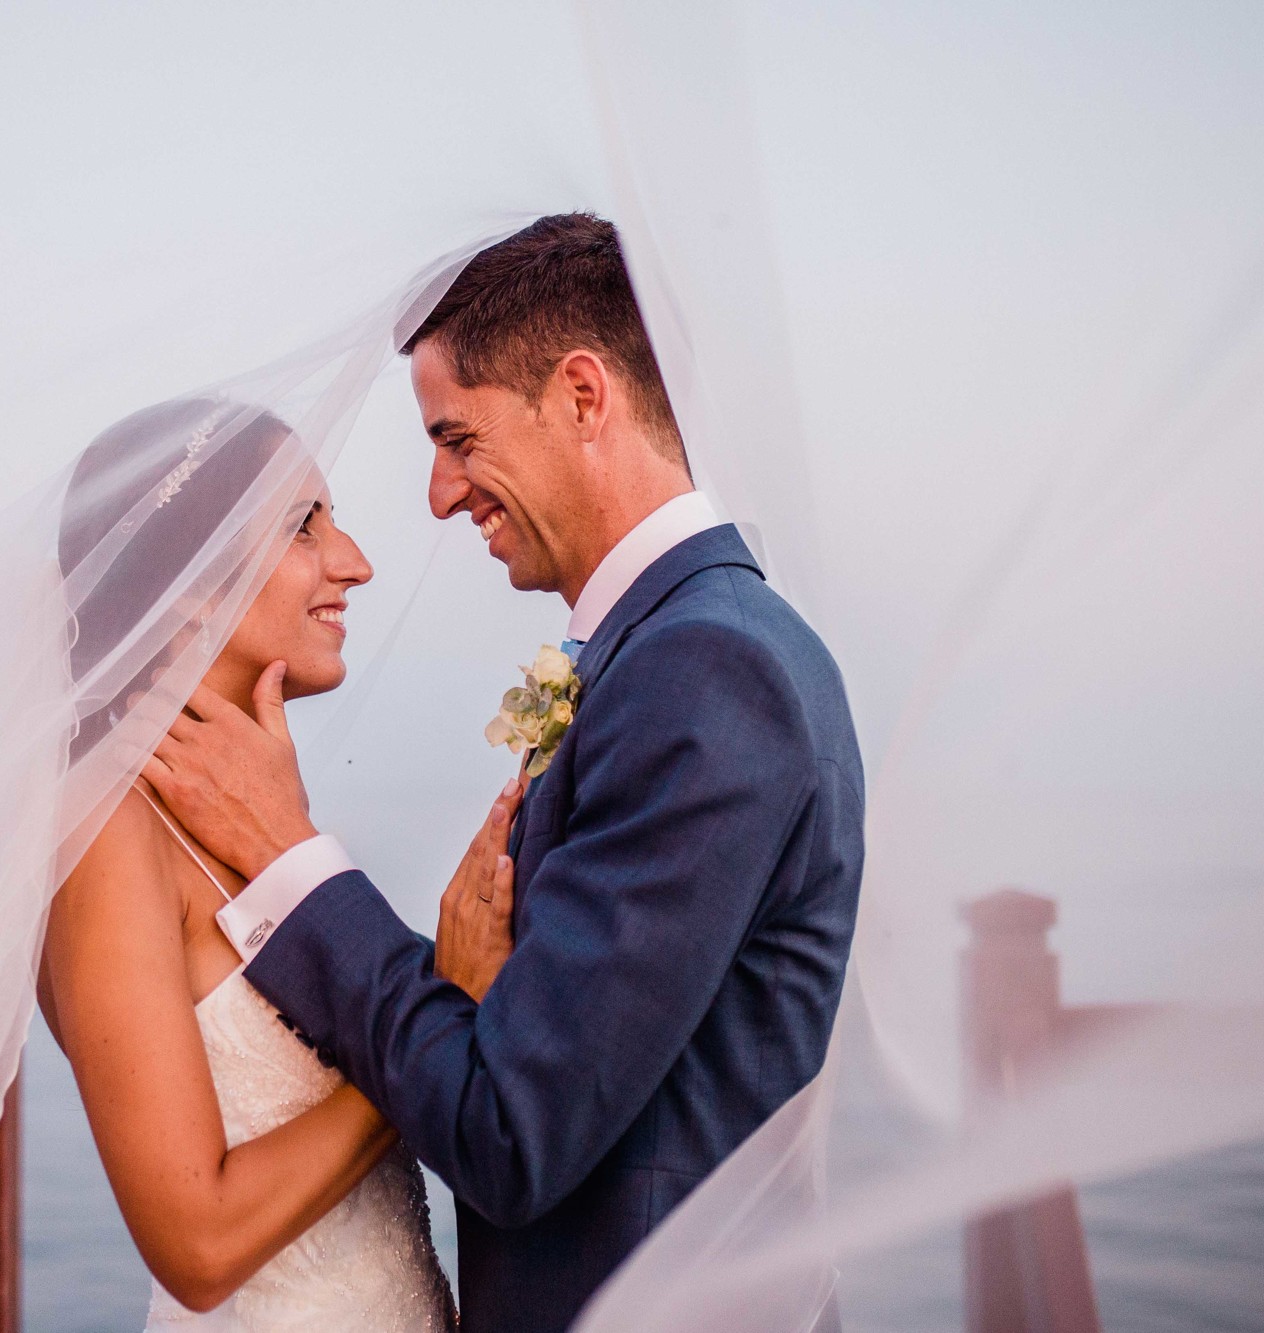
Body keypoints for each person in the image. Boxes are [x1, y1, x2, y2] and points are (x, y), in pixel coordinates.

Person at [141, 214, 867, 1333]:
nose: (436, 497)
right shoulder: (668, 648)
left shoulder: (705, 669)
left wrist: (288, 858)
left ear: (582, 395)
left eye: (456, 438)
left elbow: (508, 1132)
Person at [36, 398, 471, 1331]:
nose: (352, 559)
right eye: (302, 525)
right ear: (188, 579)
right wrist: (437, 1031)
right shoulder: (111, 838)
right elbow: (197, 1245)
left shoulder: (256, 814)